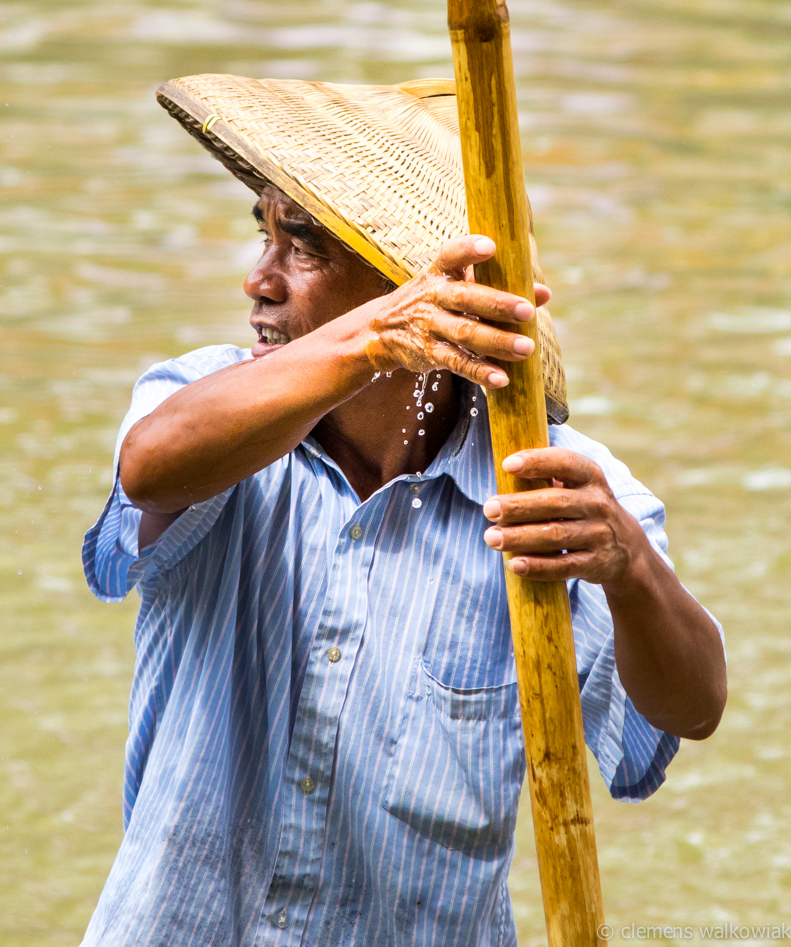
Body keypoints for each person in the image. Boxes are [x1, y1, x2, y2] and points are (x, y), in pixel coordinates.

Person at [80, 75, 726, 947]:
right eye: (264, 238)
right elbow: (152, 469)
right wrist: (370, 339)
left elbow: (690, 710)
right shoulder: (208, 401)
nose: (258, 279)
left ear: (410, 282)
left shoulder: (555, 492)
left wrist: (631, 570)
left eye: (301, 246)